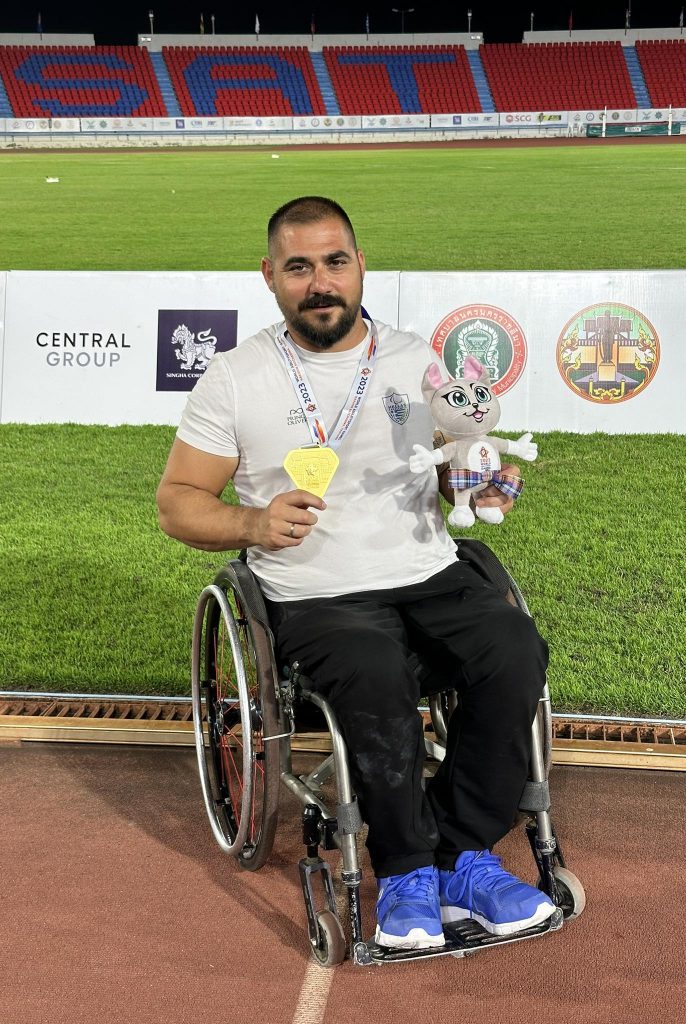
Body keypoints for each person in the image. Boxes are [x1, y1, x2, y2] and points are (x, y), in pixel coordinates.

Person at [157, 196, 555, 950]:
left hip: (428, 572)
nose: (320, 282)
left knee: (513, 649)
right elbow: (177, 502)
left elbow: (446, 464)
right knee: (374, 668)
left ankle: (463, 853)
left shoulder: (413, 359)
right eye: (298, 267)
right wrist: (252, 523)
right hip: (316, 591)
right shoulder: (236, 377)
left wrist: (476, 484)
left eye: (335, 262)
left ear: (360, 265)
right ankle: (405, 870)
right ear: (269, 276)